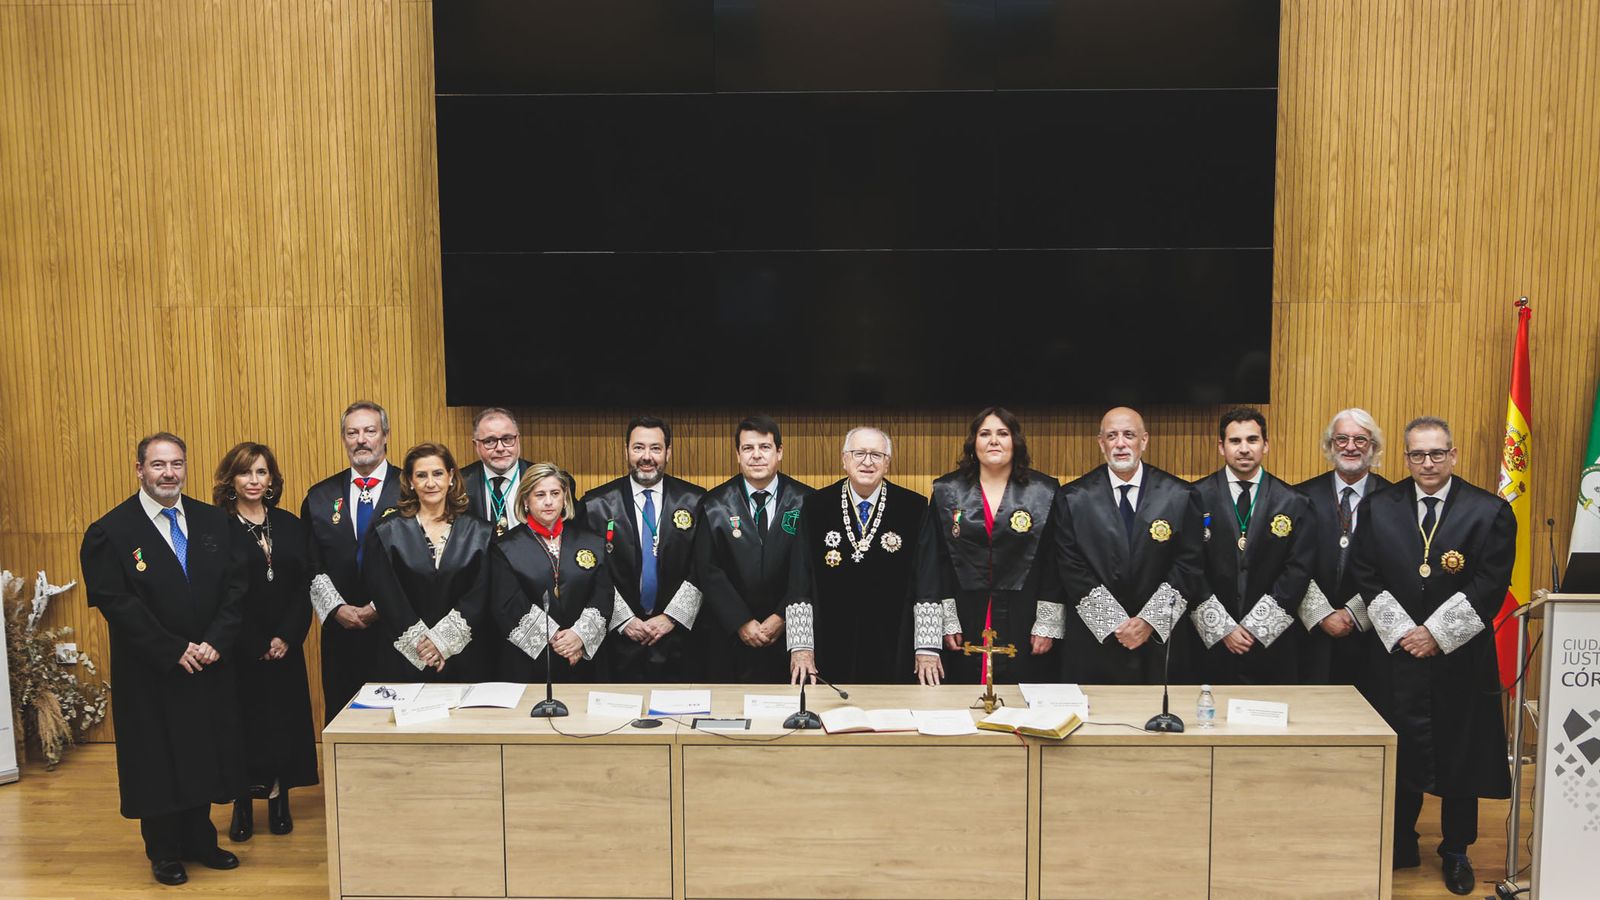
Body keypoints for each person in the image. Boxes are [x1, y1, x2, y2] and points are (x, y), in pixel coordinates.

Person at [1348, 416, 1513, 894]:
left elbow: (1491, 585)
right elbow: (1365, 573)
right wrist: (1404, 632)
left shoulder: (1489, 511)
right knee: (1399, 749)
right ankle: (1400, 839)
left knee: (1459, 754)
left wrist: (1437, 634)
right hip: (1396, 657)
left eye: (1437, 453)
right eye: (1417, 454)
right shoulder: (1380, 507)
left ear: (1453, 455)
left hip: (1459, 661)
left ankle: (1456, 849)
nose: (1427, 463)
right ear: (1405, 458)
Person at [80, 433, 247, 886]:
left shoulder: (215, 521)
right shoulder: (110, 532)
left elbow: (236, 587)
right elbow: (118, 604)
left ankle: (200, 839)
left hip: (208, 663)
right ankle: (164, 850)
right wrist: (172, 649)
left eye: (176, 464)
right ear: (140, 470)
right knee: (157, 759)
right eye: (158, 465)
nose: (168, 473)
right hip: (151, 670)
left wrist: (216, 640)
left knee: (201, 753)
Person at [1052, 407, 1205, 684]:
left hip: (1159, 640)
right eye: (1112, 436)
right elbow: (1070, 565)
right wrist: (1114, 622)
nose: (1120, 443)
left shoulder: (1180, 495)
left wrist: (1148, 621)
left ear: (1143, 441)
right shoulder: (1073, 497)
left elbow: (1188, 563)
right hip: (1095, 640)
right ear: (1101, 443)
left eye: (1129, 435)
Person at [212, 442, 317, 842]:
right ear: (231, 479)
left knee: (283, 724)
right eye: (245, 473)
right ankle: (242, 803)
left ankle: (280, 799)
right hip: (241, 647)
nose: (253, 480)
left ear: (271, 478)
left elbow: (305, 582)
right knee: (243, 725)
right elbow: (221, 593)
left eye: (261, 472)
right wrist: (255, 640)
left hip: (285, 646)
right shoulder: (217, 527)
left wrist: (287, 636)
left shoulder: (290, 523)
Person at [912, 407, 1061, 686]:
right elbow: (935, 561)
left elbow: (1053, 560)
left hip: (1024, 613)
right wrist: (947, 619)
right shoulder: (947, 491)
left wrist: (1047, 622)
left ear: (1015, 441)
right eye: (985, 434)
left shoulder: (1045, 491)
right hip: (965, 612)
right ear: (973, 443)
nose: (994, 441)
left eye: (1002, 433)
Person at [786, 426, 926, 684]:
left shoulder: (914, 507)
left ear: (887, 463)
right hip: (829, 639)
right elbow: (799, 579)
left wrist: (927, 649)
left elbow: (927, 578)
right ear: (844, 460)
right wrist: (801, 647)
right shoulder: (816, 506)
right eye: (859, 453)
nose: (867, 462)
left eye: (876, 455)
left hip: (894, 642)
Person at [1190, 407, 1316, 684]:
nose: (1244, 449)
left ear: (1266, 445)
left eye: (1252, 440)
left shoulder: (1293, 502)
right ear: (1221, 447)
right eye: (1235, 441)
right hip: (1210, 642)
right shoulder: (1195, 498)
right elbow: (1189, 566)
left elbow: (1298, 570)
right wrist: (1222, 628)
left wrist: (1256, 627)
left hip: (1271, 642)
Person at [576, 416, 706, 682]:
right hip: (617, 640)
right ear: (626, 450)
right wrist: (624, 620)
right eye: (638, 448)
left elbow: (703, 566)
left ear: (668, 452)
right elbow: (590, 572)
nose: (647, 456)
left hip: (679, 638)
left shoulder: (695, 501)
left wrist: (671, 617)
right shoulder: (595, 505)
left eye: (655, 448)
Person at [362, 442, 494, 682]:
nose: (430, 483)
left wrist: (443, 641)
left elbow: (480, 592)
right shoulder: (386, 531)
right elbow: (386, 593)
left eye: (437, 474)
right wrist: (422, 645)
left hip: (464, 655)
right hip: (405, 655)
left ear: (451, 476)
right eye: (421, 475)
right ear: (410, 482)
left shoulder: (480, 532)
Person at [302, 401, 401, 722]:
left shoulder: (411, 489)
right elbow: (311, 564)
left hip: (398, 630)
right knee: (346, 720)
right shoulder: (319, 496)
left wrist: (379, 606)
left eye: (370, 431)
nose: (361, 440)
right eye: (352, 432)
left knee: (395, 719)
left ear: (385, 435)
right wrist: (336, 609)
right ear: (343, 439)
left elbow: (421, 563)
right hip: (342, 633)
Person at [695, 415, 813, 683]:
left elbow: (809, 570)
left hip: (788, 633)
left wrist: (782, 616)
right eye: (748, 448)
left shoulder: (807, 502)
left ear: (779, 452)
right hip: (730, 637)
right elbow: (707, 570)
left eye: (765, 447)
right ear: (738, 454)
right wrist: (741, 622)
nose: (756, 456)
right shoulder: (713, 504)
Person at [1293, 408, 1391, 684]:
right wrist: (1322, 614)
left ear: (1374, 447)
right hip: (1309, 635)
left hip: (1371, 638)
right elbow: (1290, 562)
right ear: (1330, 445)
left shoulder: (1394, 500)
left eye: (1360, 440)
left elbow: (1396, 569)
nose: (1350, 447)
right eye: (1341, 439)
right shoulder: (1301, 497)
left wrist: (1353, 613)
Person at [490, 463, 612, 682]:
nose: (548, 501)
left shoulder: (591, 541)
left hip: (584, 658)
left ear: (564, 498)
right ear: (526, 500)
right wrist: (559, 641)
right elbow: (507, 603)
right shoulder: (504, 547)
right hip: (531, 663)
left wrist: (579, 636)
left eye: (555, 493)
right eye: (540, 495)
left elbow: (603, 595)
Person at [461, 407, 531, 535]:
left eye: (507, 439)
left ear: (518, 439)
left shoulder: (544, 480)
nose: (500, 448)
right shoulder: (460, 484)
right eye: (490, 441)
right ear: (476, 445)